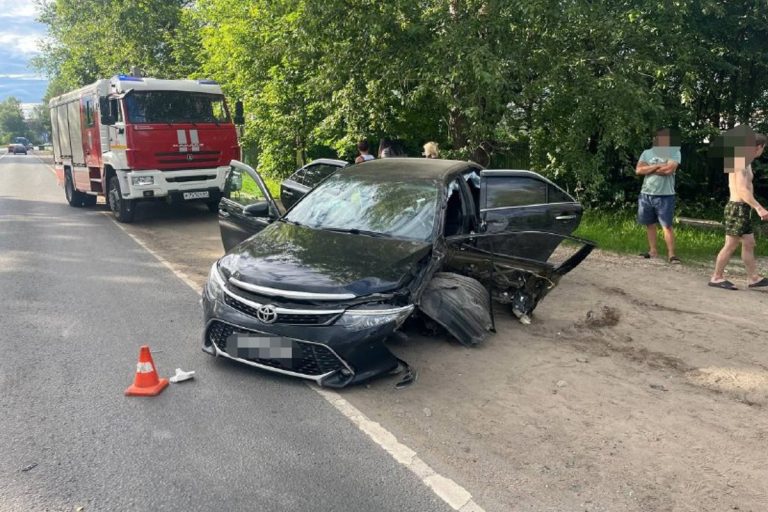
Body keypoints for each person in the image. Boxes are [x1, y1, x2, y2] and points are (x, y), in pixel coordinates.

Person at [708, 129, 768, 290]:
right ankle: (716, 277)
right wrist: (759, 208)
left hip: (742, 208)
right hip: (737, 208)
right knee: (731, 244)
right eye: (764, 148)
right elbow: (742, 190)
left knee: (749, 243)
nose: (763, 151)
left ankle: (753, 278)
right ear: (758, 146)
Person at [635, 127, 682, 263]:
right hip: (646, 194)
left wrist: (649, 169)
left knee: (666, 225)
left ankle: (672, 254)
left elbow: (669, 170)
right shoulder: (647, 153)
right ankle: (653, 250)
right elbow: (638, 170)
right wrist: (657, 167)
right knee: (649, 224)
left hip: (665, 195)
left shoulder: (674, 152)